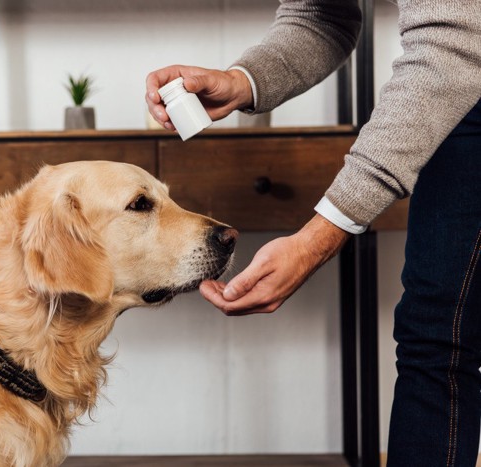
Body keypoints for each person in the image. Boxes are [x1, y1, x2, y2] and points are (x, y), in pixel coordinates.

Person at [146, 0, 481, 465]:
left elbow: (453, 42)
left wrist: (320, 235)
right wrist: (244, 81)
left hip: (463, 55)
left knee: (443, 337)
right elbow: (322, 15)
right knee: (435, 338)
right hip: (462, 67)